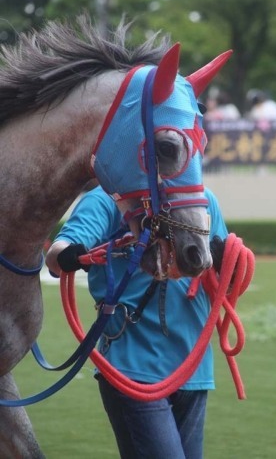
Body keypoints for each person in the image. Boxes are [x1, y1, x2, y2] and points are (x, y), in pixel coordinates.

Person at [46, 185, 227, 459]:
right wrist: (68, 255)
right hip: (132, 370)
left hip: (193, 370)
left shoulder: (202, 199)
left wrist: (230, 265)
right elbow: (58, 252)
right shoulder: (107, 200)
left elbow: (224, 270)